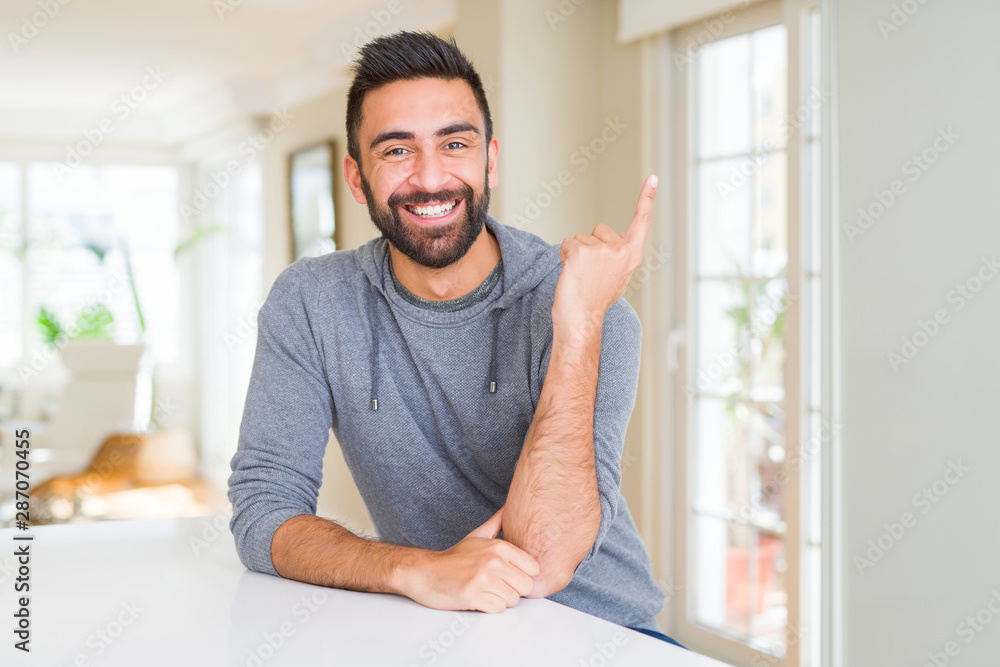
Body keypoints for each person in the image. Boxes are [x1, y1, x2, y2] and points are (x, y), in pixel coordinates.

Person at [228, 30, 685, 650]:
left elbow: (544, 563)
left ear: (490, 159)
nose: (430, 177)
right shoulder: (310, 303)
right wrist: (414, 568)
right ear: (357, 177)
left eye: (455, 143)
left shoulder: (590, 308)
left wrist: (578, 327)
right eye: (396, 151)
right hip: (438, 629)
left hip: (606, 635)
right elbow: (263, 513)